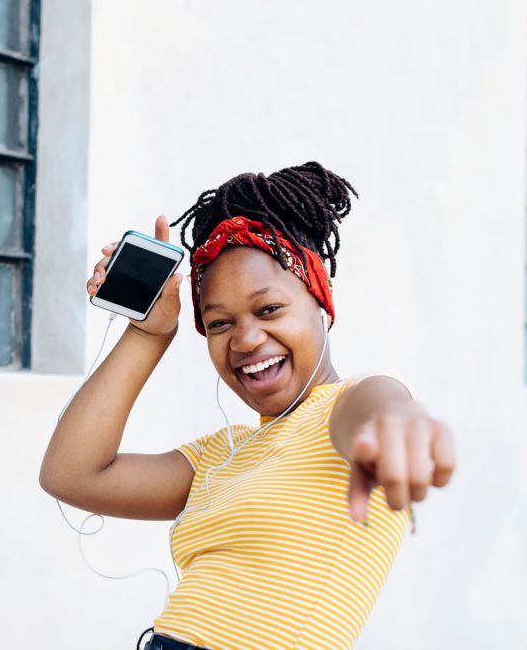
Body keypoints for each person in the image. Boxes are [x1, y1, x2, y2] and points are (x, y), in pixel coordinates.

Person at [39, 162, 456, 650]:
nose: (246, 338)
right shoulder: (221, 455)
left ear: (321, 301)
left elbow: (375, 410)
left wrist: (396, 428)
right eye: (219, 324)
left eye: (269, 310)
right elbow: (71, 475)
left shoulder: (353, 403)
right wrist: (147, 334)